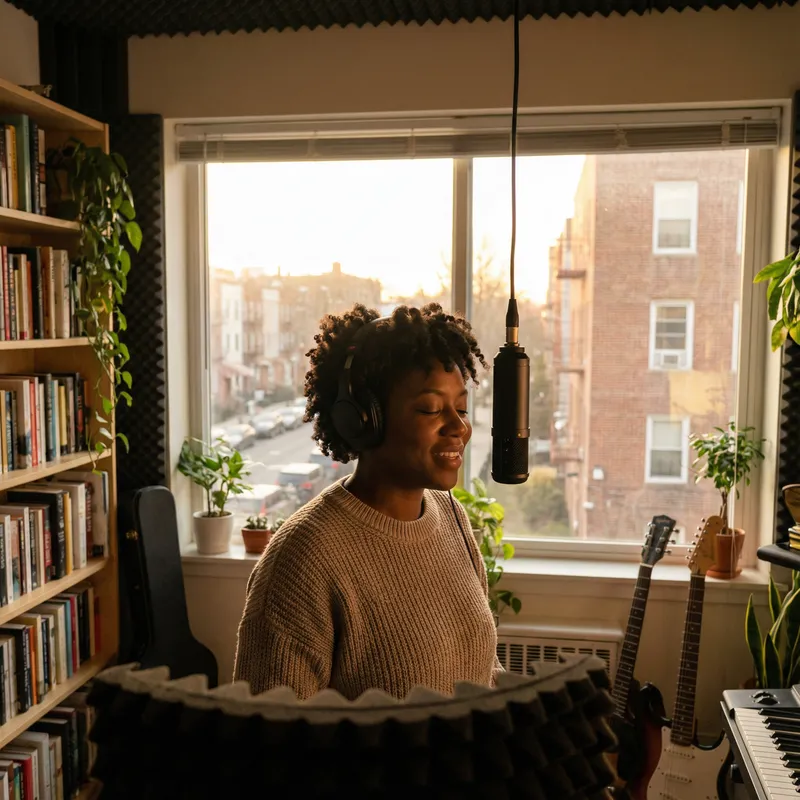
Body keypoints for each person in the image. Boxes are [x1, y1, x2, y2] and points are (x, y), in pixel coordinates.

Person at [233, 303, 503, 701]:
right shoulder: (303, 558)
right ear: (363, 418)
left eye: (461, 407)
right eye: (431, 409)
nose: (459, 426)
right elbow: (269, 743)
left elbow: (483, 671)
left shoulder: (452, 518)